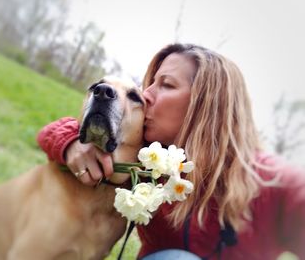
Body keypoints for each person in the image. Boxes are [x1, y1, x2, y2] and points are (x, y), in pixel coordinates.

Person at [37, 43, 305, 259]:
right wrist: (72, 142)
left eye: (165, 84)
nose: (146, 95)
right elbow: (50, 131)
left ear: (206, 105)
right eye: (150, 82)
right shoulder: (148, 162)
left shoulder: (273, 182)